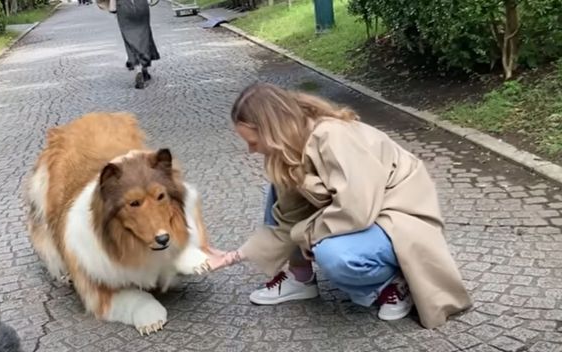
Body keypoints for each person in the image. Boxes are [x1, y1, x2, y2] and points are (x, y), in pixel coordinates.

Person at [205, 82, 472, 329]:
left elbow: (356, 211)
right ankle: (300, 279)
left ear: (272, 131)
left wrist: (305, 234)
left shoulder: (333, 136)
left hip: (399, 216)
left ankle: (393, 283)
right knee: (277, 189)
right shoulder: (286, 153)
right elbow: (285, 221)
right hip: (366, 214)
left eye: (253, 142)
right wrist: (232, 257)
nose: (252, 150)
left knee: (334, 255)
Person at [97, 0, 160, 89]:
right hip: (141, 5)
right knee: (144, 37)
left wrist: (112, 7)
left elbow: (111, 8)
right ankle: (144, 68)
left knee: (130, 40)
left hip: (123, 7)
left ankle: (138, 70)